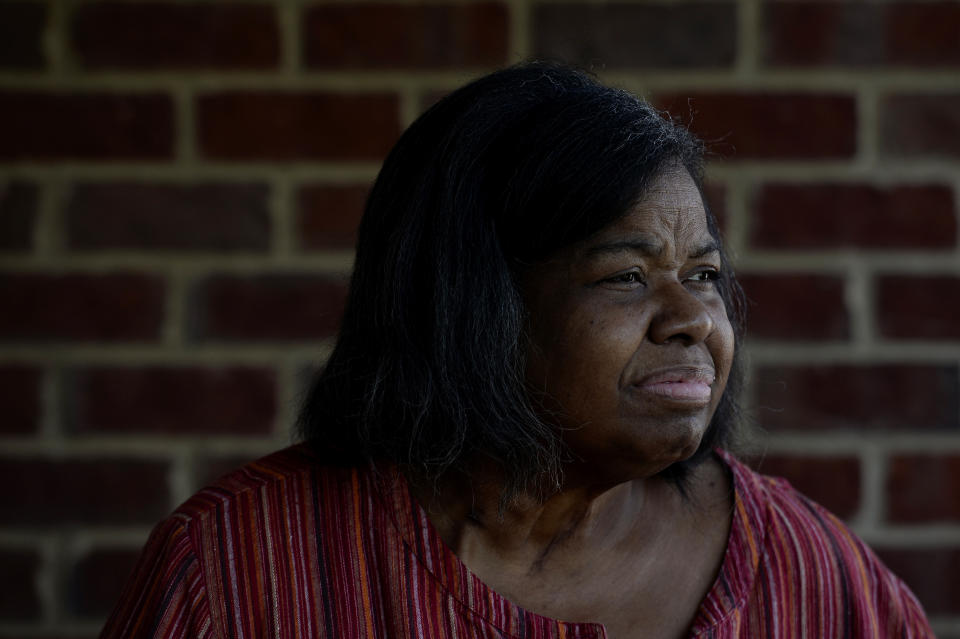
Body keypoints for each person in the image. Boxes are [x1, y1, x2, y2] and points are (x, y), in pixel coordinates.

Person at [102, 63, 933, 638]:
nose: (693, 317)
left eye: (705, 273)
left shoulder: (811, 578)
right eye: (626, 276)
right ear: (473, 305)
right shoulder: (240, 575)